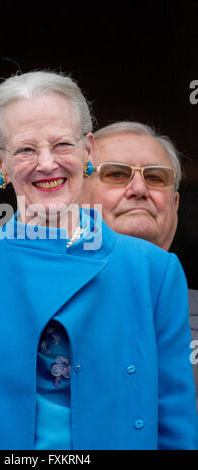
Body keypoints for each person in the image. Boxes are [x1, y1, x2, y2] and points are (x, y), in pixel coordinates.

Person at [0, 73, 197, 450]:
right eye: (25, 150)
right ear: (0, 164)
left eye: (62, 145)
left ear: (88, 151)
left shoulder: (153, 271)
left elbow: (176, 430)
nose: (46, 164)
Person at [79, 120, 198, 406]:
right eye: (116, 174)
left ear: (175, 204)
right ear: (75, 198)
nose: (139, 188)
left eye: (156, 178)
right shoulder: (37, 310)